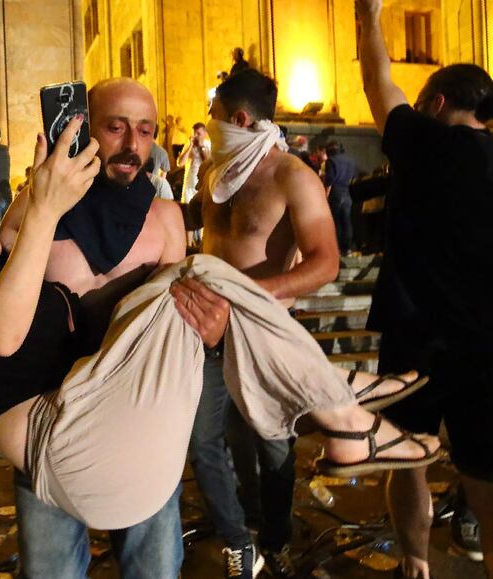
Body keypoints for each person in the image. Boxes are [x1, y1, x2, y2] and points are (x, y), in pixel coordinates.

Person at [0, 78, 439, 579]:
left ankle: (328, 406)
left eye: (146, 130)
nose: (133, 143)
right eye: (115, 127)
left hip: (140, 414)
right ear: (87, 127)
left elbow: (181, 322)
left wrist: (212, 328)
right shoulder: (39, 206)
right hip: (53, 419)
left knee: (155, 565)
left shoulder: (164, 219)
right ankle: (337, 399)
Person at [189, 68, 434, 578]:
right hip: (207, 332)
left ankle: (274, 537)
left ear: (239, 118)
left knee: (273, 444)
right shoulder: (216, 172)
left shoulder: (290, 174)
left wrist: (249, 297)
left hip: (264, 335)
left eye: (214, 117)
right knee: (209, 439)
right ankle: (242, 534)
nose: (209, 127)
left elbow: (325, 261)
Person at [357, 1, 493, 577]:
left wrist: (370, 16)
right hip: (487, 342)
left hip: (416, 332)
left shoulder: (424, 141)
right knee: (486, 471)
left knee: (406, 455)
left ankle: (415, 561)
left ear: (436, 103)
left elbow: (376, 80)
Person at [323, 140, 358, 255]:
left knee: (336, 220)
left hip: (336, 192)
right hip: (348, 191)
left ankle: (337, 247)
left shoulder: (331, 161)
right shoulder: (350, 161)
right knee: (347, 220)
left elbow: (330, 180)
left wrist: (325, 195)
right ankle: (348, 248)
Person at [177, 122, 211, 203]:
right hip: (189, 186)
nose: (195, 136)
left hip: (202, 186)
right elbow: (180, 163)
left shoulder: (208, 145)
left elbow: (208, 163)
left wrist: (201, 147)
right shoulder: (188, 145)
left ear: (204, 133)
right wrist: (189, 147)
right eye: (194, 134)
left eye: (198, 134)